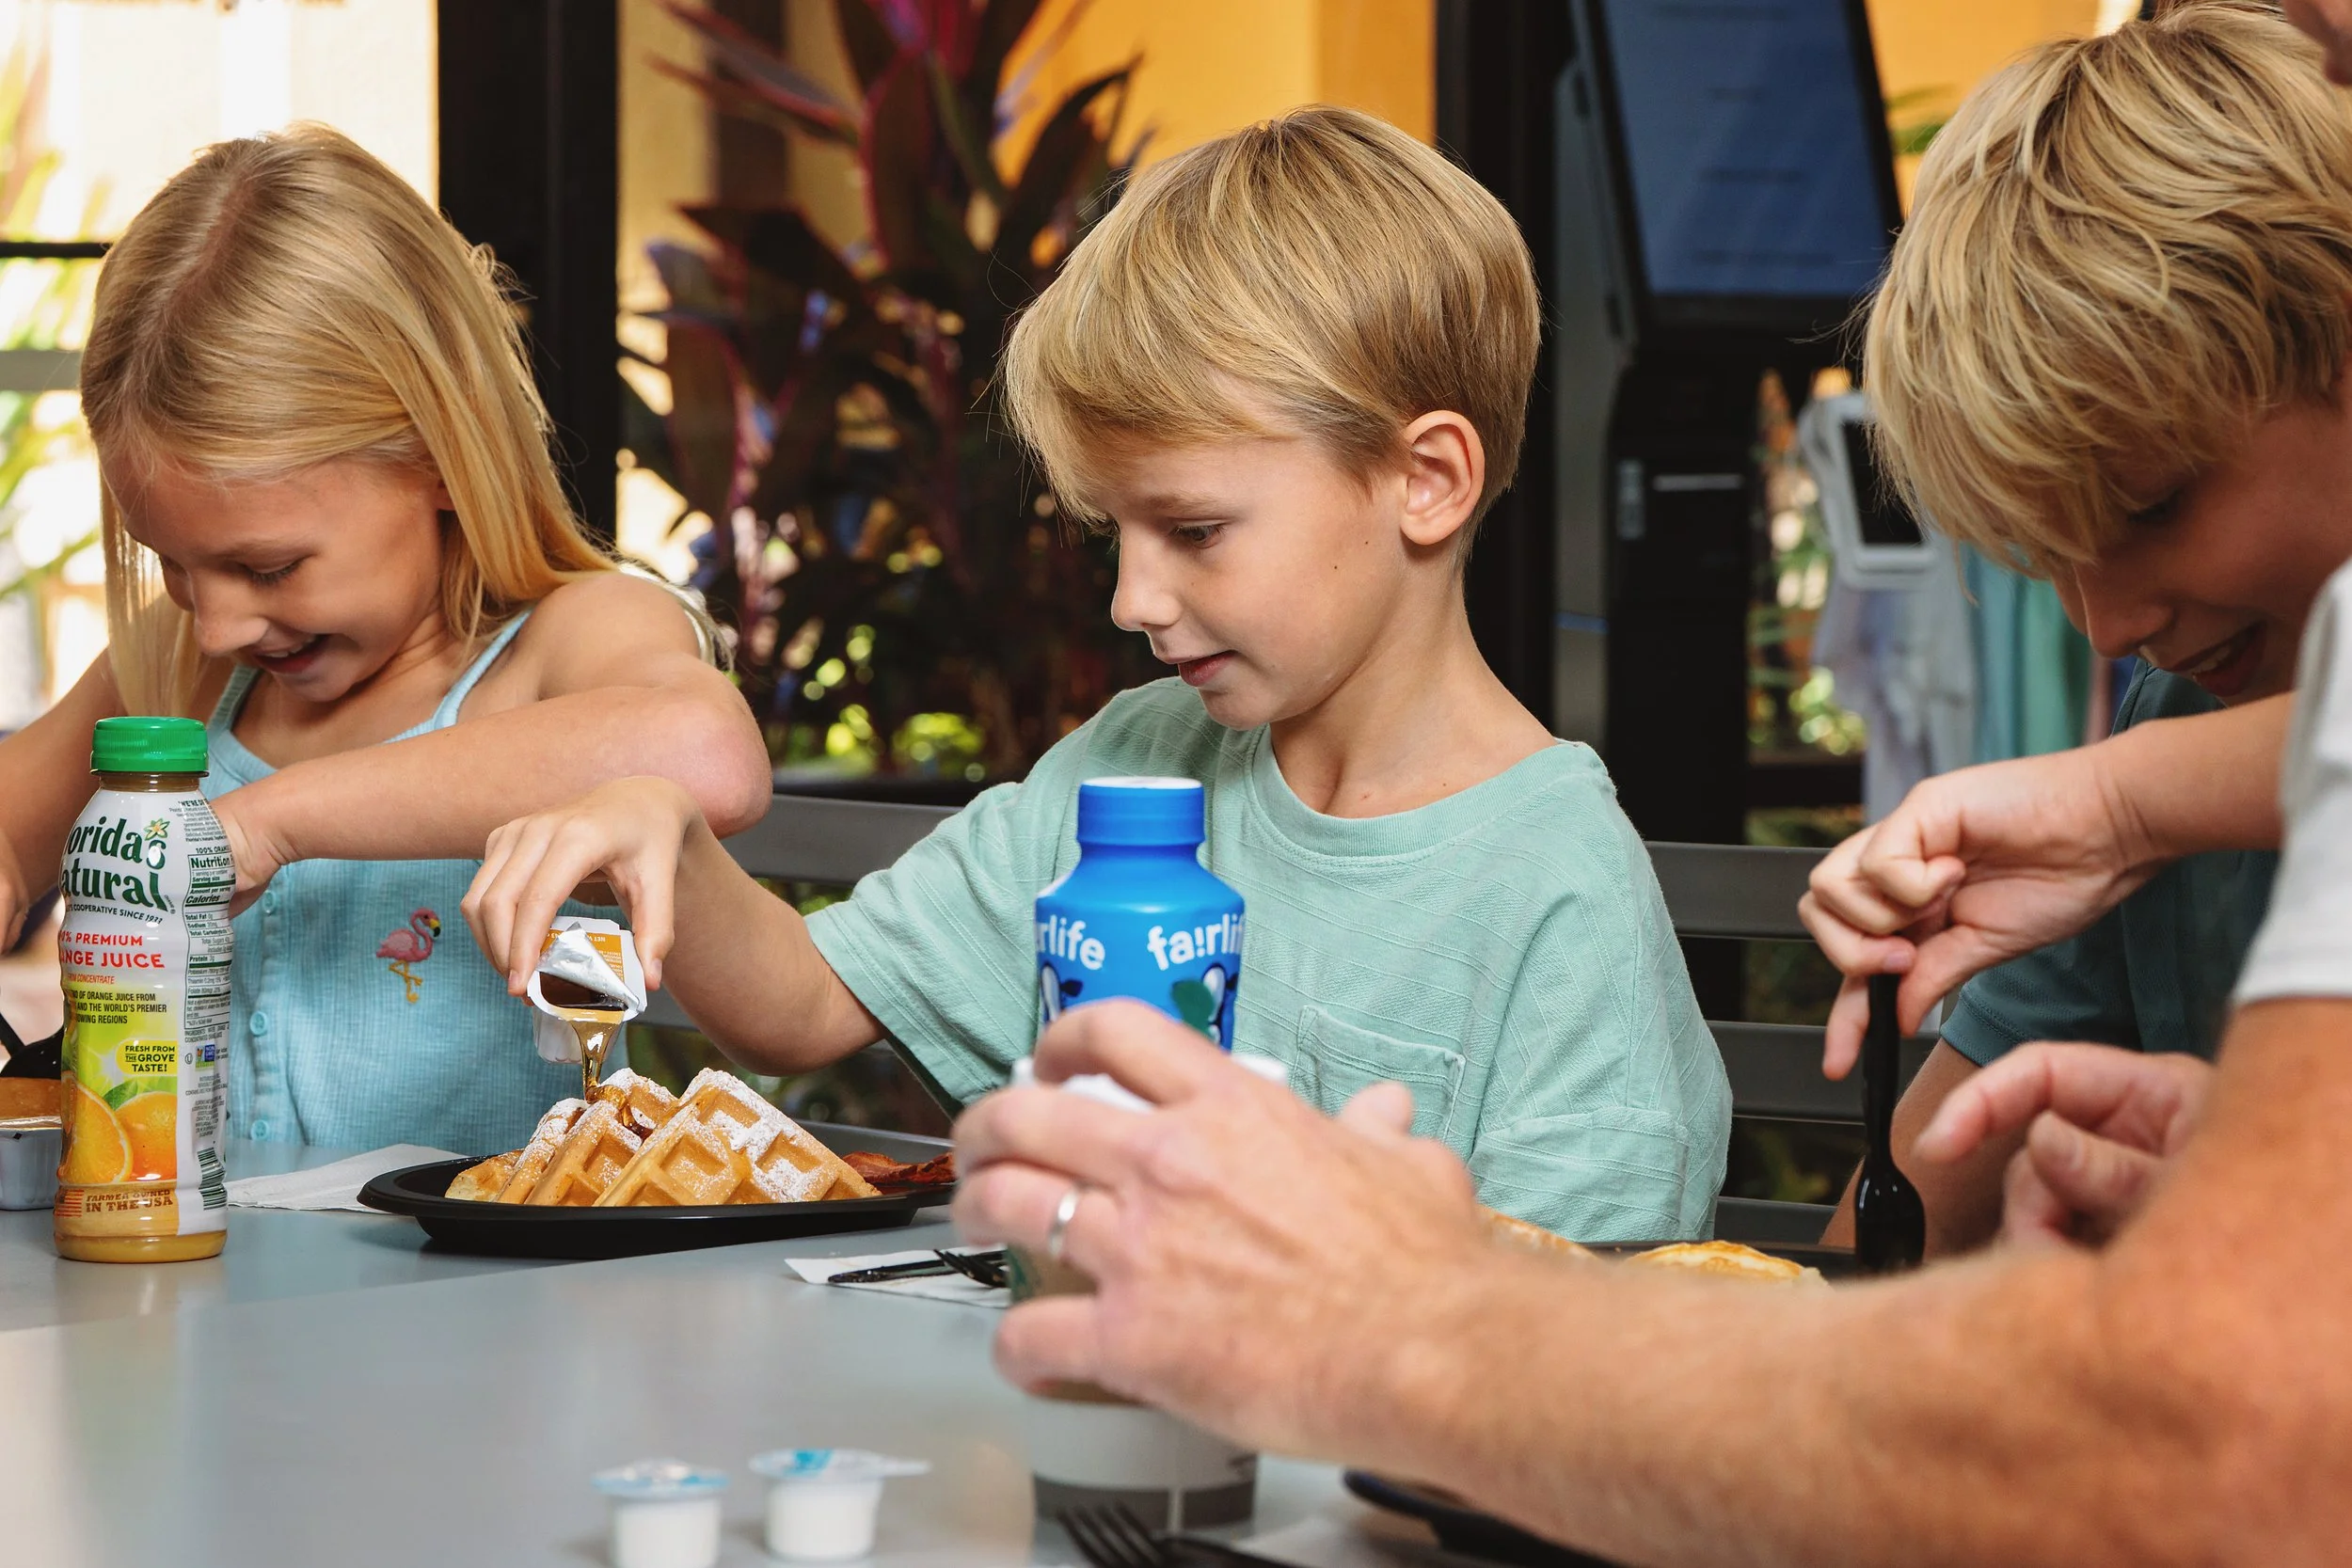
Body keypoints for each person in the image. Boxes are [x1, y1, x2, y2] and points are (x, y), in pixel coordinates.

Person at [464, 107, 1732, 1239]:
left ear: (1427, 480)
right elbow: (803, 1004)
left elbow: (1578, 1346)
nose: (1132, 599)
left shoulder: (1559, 891)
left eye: (1195, 530)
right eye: (1113, 535)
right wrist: (668, 836)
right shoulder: (1135, 759)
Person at [0, 127, 772, 1153]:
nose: (220, 620)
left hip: (496, 1305)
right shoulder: (182, 666)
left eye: (269, 567)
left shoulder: (568, 640)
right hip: (195, 1290)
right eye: (174, 564)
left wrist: (271, 821)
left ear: (441, 457)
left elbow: (705, 754)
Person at [1800, 0, 2352, 1252]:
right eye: (2049, 559)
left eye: (2154, 505)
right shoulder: (2176, 712)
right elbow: (1904, 1231)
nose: (2112, 625)